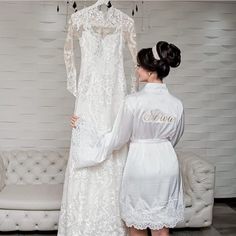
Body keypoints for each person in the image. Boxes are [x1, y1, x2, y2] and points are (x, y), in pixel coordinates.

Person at [71, 41, 185, 236]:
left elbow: (117, 138)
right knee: (161, 228)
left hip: (140, 165)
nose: (137, 69)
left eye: (140, 66)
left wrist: (84, 128)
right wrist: (159, 145)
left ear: (151, 72)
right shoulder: (177, 104)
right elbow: (174, 138)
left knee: (137, 226)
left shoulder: (133, 101)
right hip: (167, 165)